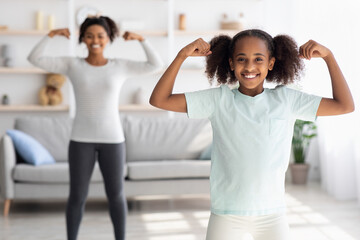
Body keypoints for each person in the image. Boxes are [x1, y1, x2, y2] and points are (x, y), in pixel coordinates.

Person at [149, 29, 354, 240]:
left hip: (273, 215)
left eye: (258, 59)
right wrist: (181, 56)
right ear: (231, 63)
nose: (249, 67)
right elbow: (159, 100)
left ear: (271, 63)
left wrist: (329, 57)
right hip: (226, 215)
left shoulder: (288, 100)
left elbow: (344, 106)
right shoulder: (218, 100)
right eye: (241, 59)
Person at [28, 16, 163, 240]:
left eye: (100, 35)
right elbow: (34, 58)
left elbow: (156, 65)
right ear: (82, 39)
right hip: (81, 140)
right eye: (89, 35)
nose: (95, 40)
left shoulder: (120, 66)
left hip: (113, 141)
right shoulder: (73, 65)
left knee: (116, 195)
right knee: (77, 196)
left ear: (109, 38)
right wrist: (51, 35)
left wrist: (142, 40)